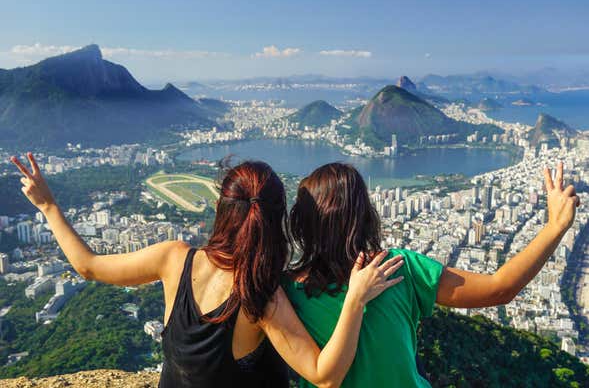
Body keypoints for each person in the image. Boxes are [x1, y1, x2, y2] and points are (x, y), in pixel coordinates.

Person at [11, 153, 406, 388]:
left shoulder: (173, 258)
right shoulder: (260, 294)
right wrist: (354, 299)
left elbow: (88, 266)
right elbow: (325, 375)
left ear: (223, 210)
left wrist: (48, 207)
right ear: (274, 220)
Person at [284, 161, 580, 387]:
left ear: (302, 223)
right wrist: (555, 226)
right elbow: (499, 288)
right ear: (364, 217)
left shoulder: (285, 293)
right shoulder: (399, 268)